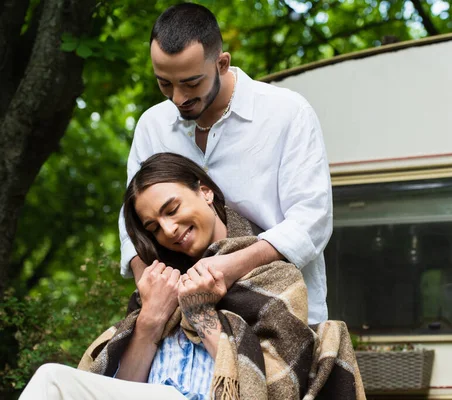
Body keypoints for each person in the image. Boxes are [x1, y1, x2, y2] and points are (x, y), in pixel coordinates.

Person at [20, 153, 364, 400]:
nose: (168, 229)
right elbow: (124, 387)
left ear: (205, 191)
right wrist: (152, 319)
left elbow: (275, 389)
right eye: (153, 227)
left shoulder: (272, 275)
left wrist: (201, 313)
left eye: (172, 209)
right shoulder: (160, 286)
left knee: (52, 382)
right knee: (53, 384)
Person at [119, 3, 332, 325]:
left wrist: (229, 266)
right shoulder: (152, 126)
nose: (178, 98)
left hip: (283, 312)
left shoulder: (287, 112)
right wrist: (145, 279)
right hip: (181, 319)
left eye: (191, 83)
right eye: (164, 83)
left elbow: (312, 218)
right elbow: (133, 219)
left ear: (221, 63)